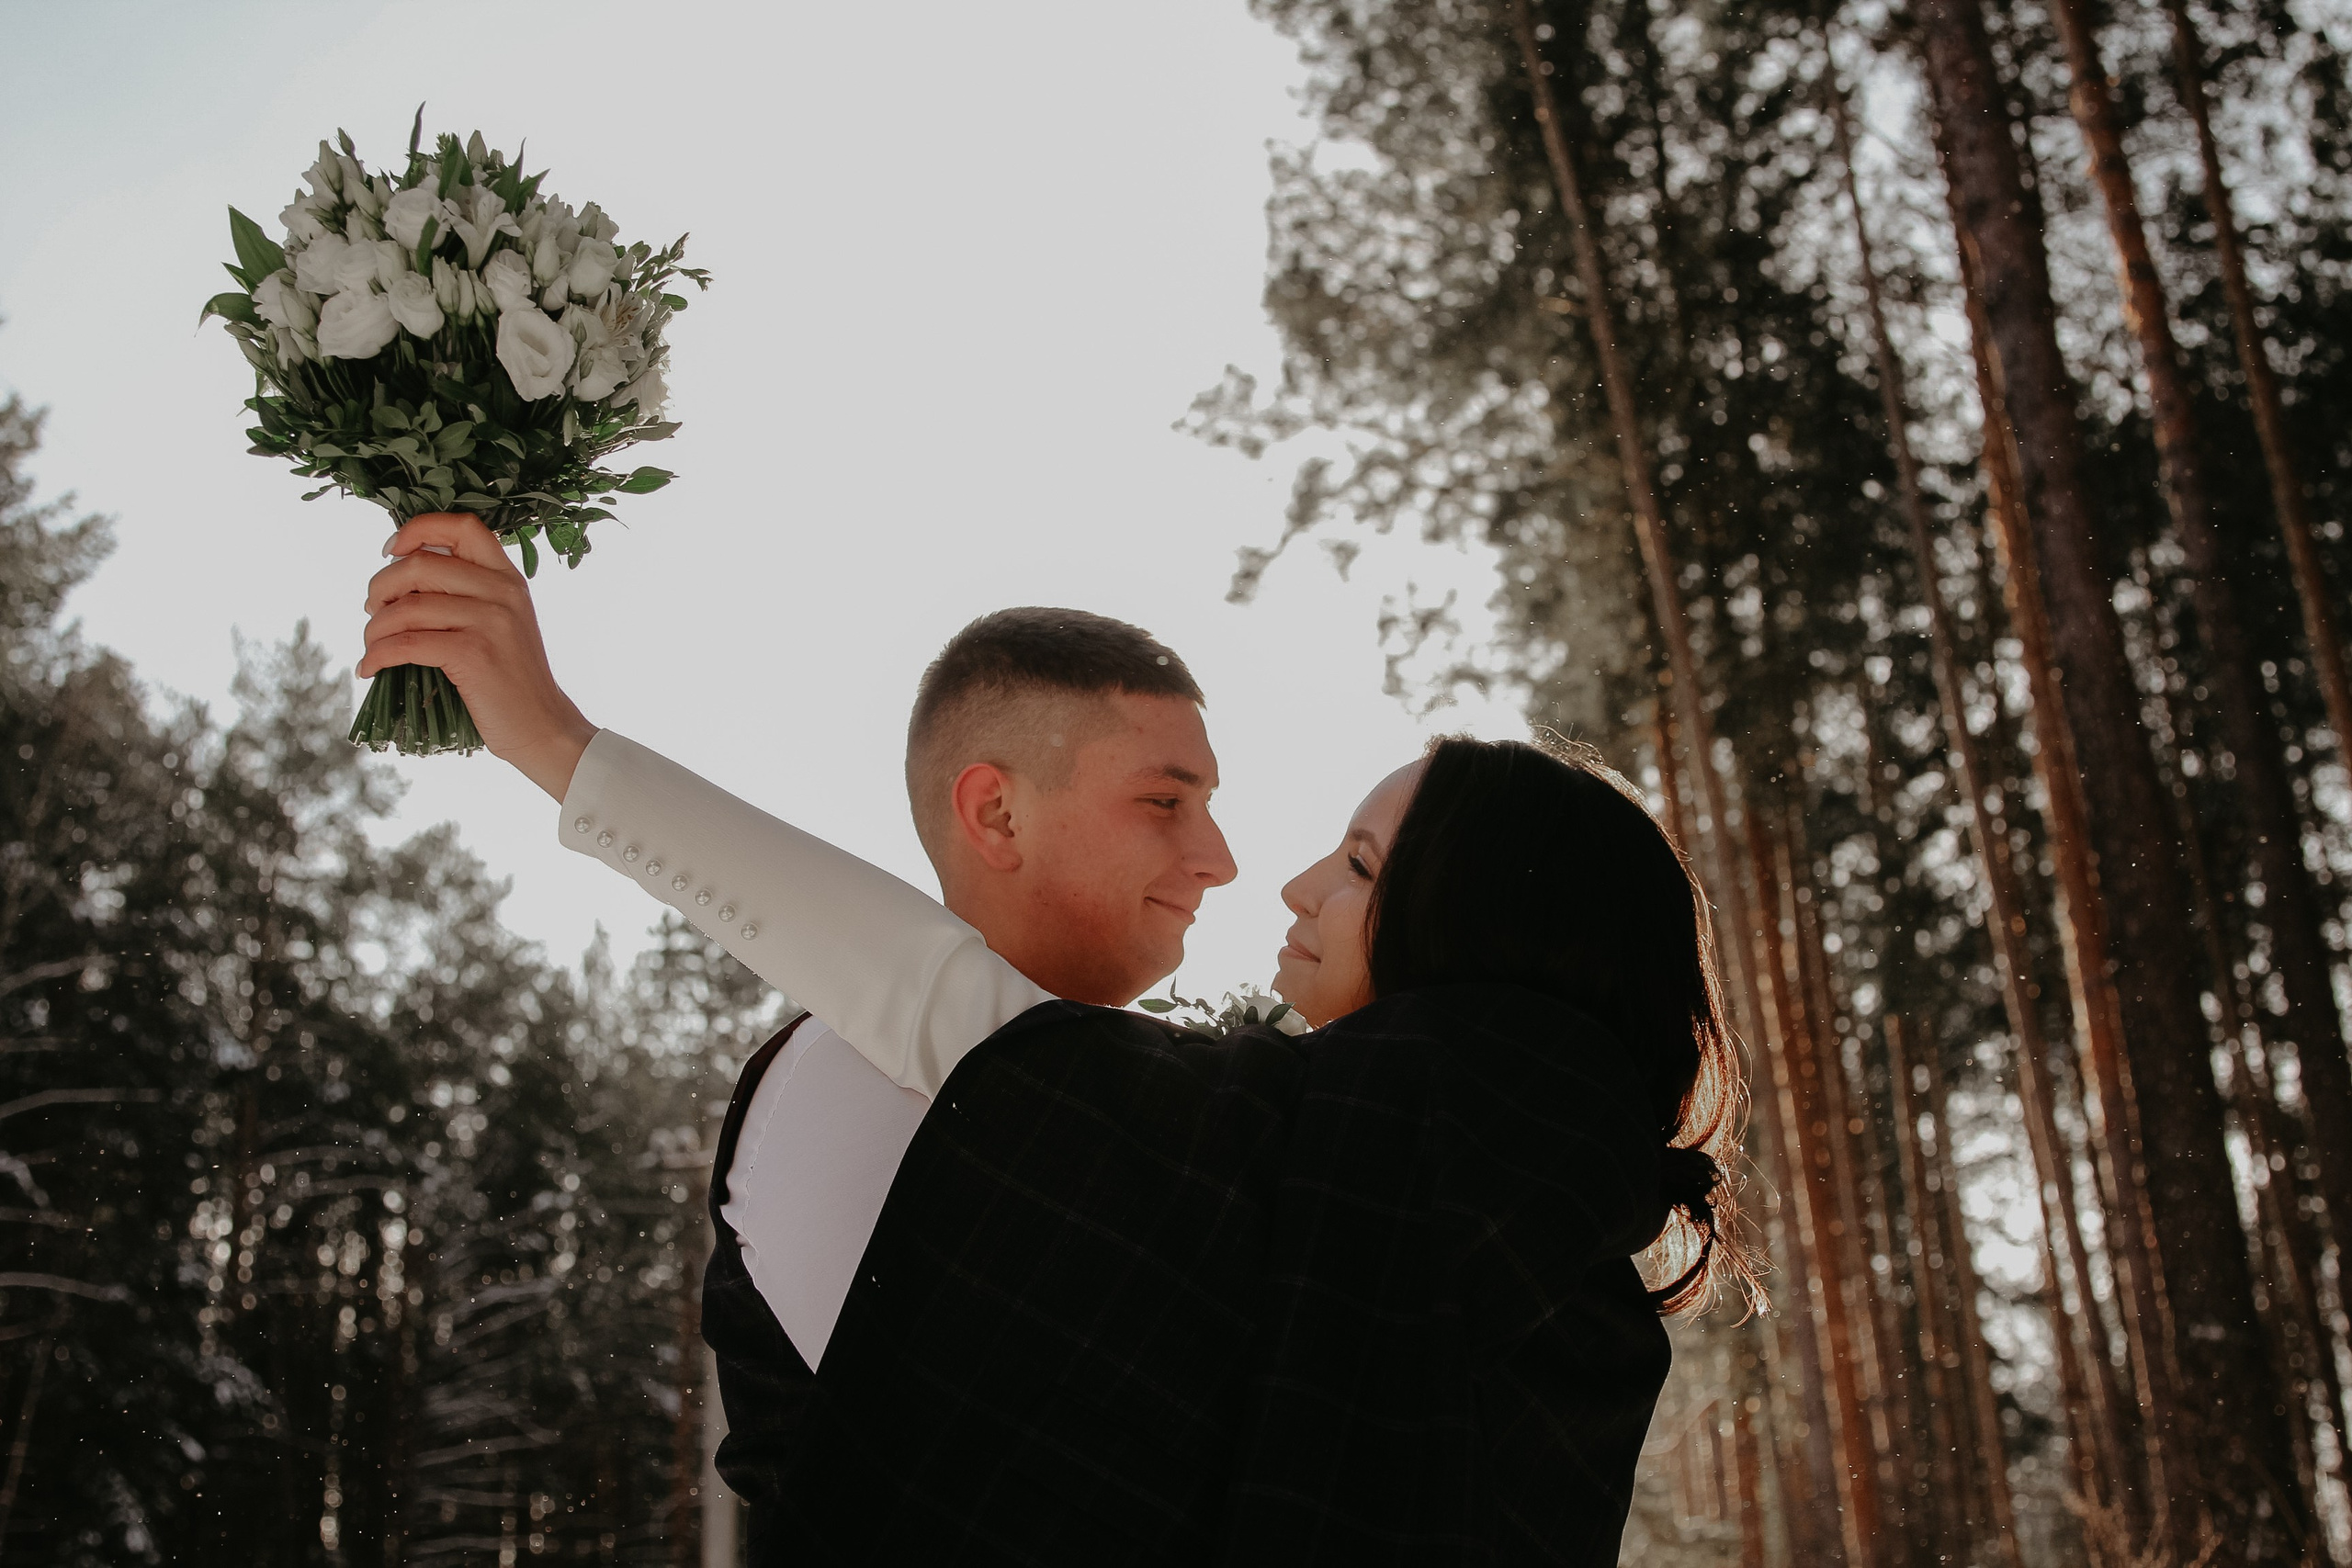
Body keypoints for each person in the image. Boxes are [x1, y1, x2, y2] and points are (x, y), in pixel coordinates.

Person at [360, 513, 1755, 1565]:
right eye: (1167, 803)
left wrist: (552, 739)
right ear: (996, 809)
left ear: (1468, 925)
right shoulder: (1561, 1240)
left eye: (1363, 865)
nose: (1265, 875)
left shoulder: (1326, 1149)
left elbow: (934, 1005)